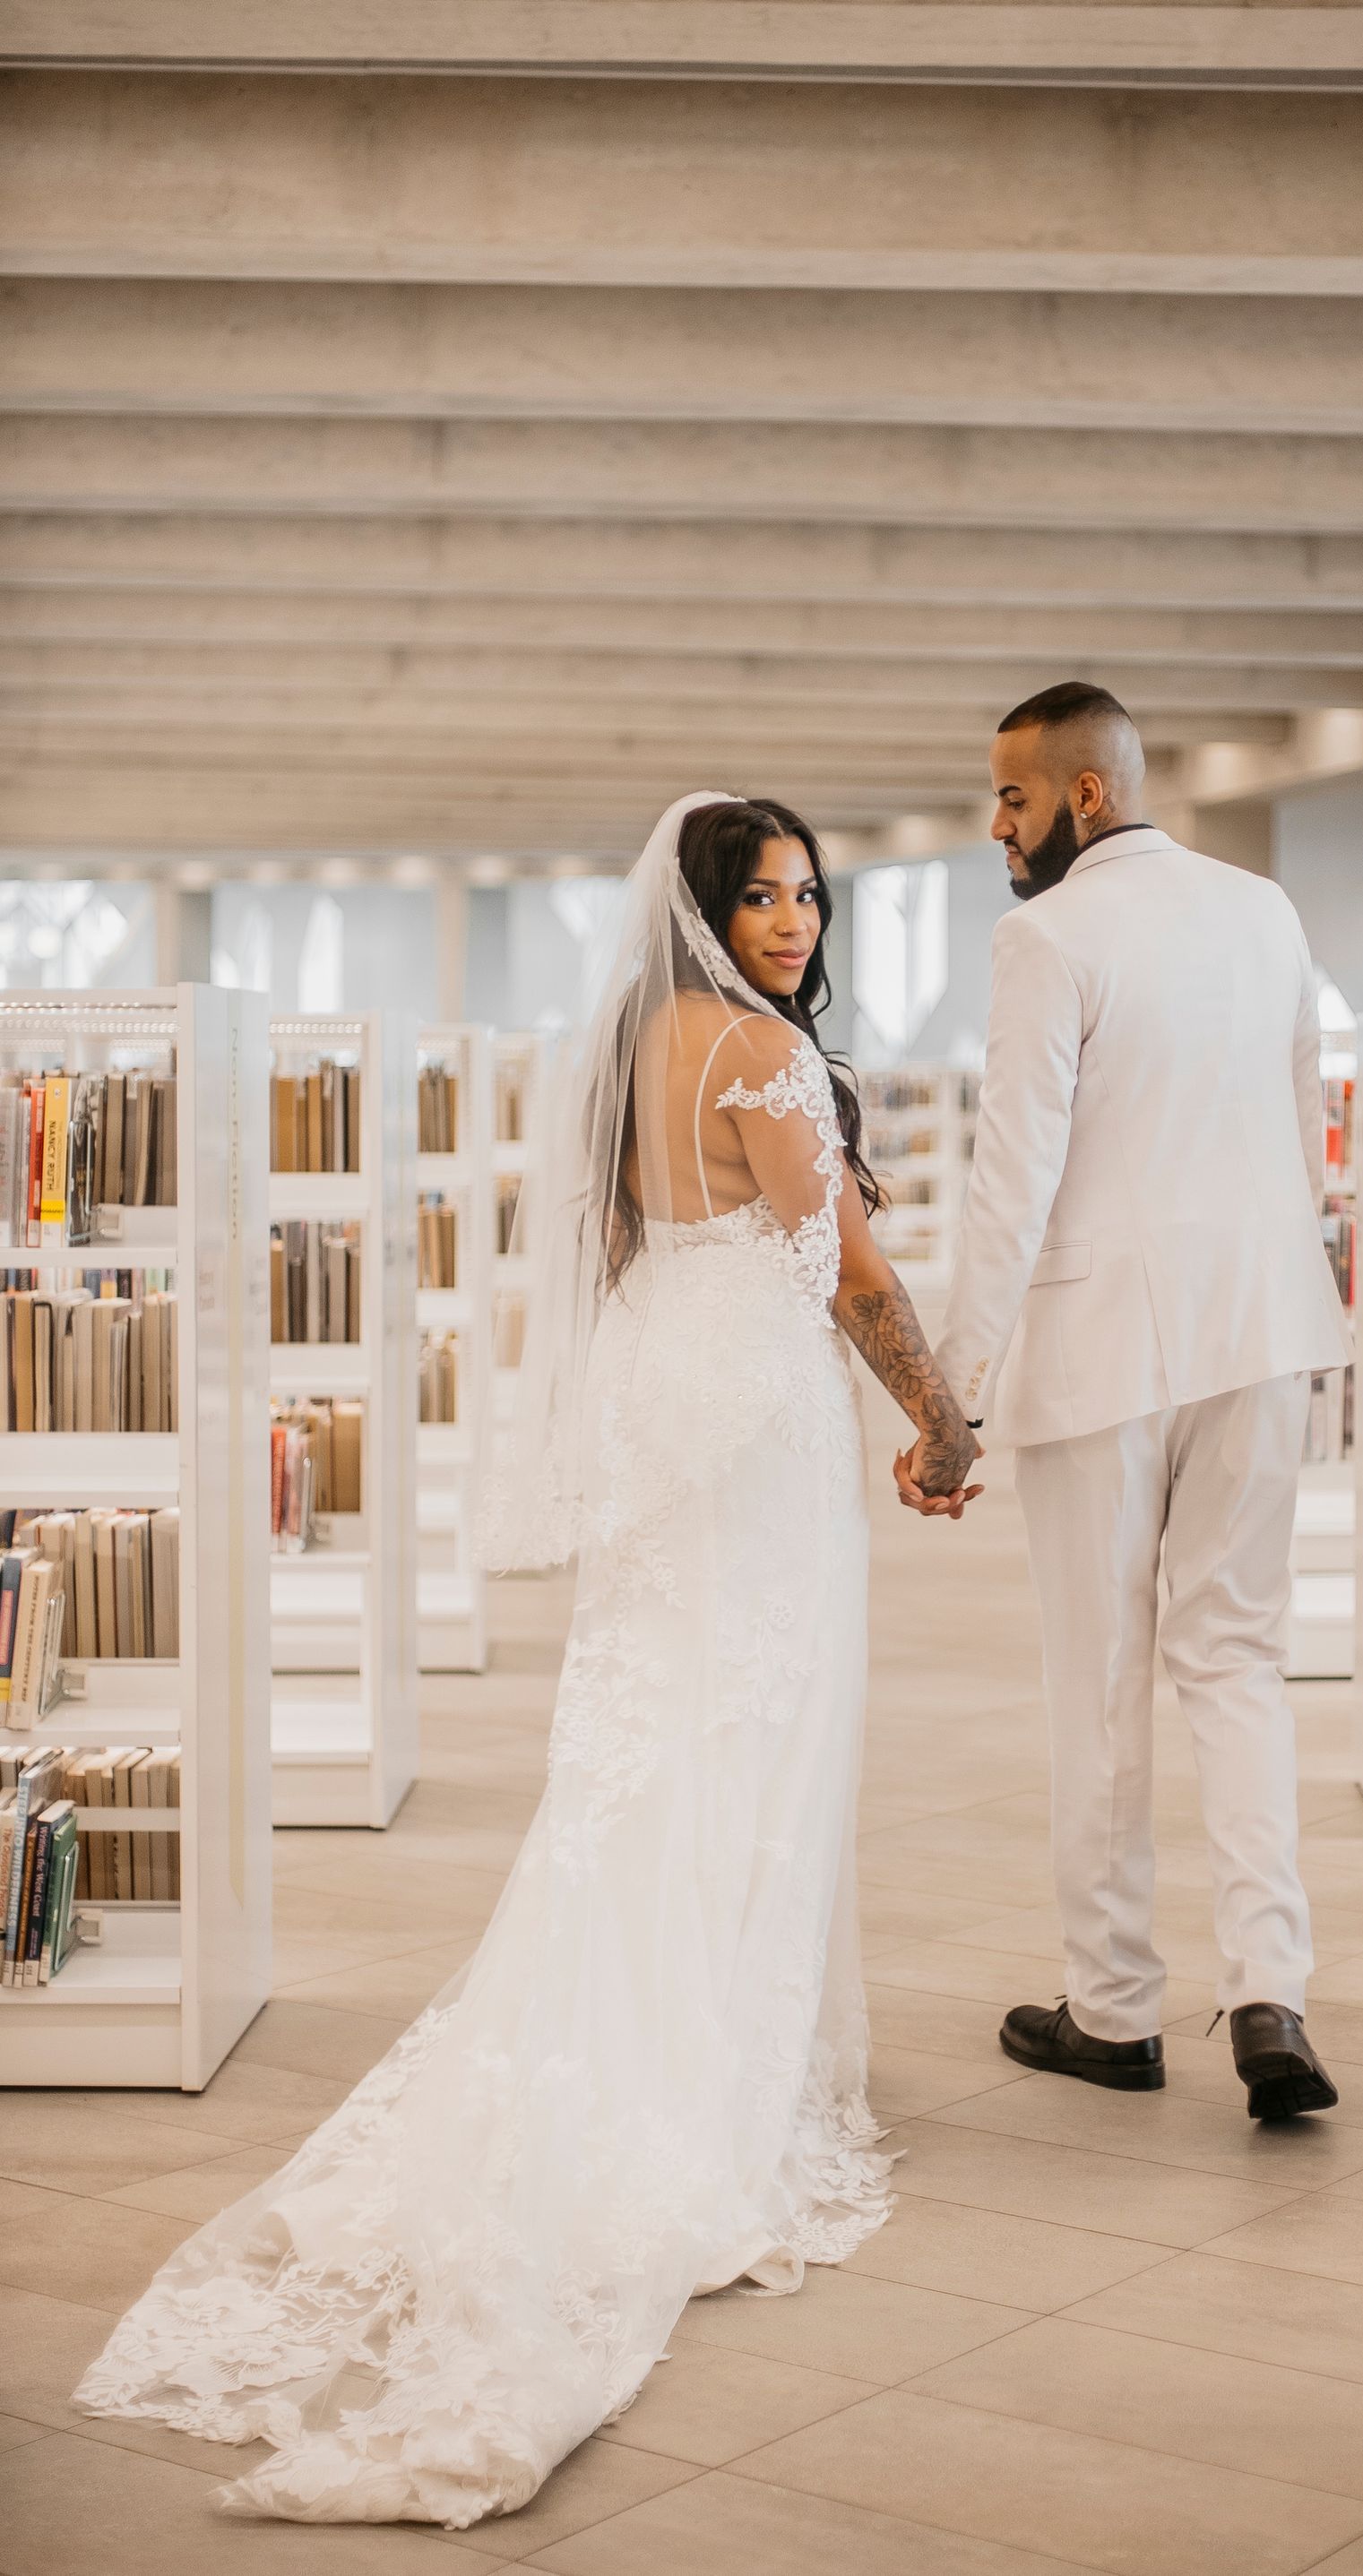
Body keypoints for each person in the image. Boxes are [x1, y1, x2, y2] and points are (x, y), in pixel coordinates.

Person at [75, 793, 979, 2529]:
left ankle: (672, 2021)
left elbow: (653, 1256)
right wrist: (945, 1419)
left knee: (656, 1751)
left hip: (669, 1430)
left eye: (808, 893)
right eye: (763, 893)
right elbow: (851, 1278)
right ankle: (709, 2074)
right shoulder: (766, 1062)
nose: (793, 920)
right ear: (709, 906)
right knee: (756, 1739)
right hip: (757, 1447)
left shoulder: (635, 1044)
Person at [896, 682, 1352, 2120]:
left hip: (1104, 1354)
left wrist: (950, 1400)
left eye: (1013, 799)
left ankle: (1114, 2013)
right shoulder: (1264, 911)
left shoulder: (1044, 935)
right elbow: (1295, 1128)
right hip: (1263, 1330)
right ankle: (1271, 1993)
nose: (998, 824)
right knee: (1238, 1663)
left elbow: (1010, 1180)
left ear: (1086, 795)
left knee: (1099, 1678)